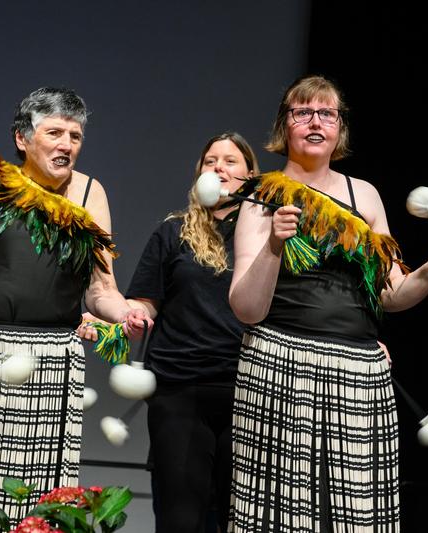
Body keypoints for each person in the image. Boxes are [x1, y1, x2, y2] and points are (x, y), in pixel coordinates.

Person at [227, 75, 428, 531]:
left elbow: (392, 294)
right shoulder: (262, 194)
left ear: (340, 126)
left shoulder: (366, 195)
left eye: (326, 113)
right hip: (280, 362)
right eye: (303, 112)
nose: (315, 122)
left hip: (359, 371)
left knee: (358, 515)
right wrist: (274, 247)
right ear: (286, 125)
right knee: (278, 513)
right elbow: (246, 308)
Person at [0, 86, 148, 531]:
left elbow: (99, 289)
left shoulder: (89, 195)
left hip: (51, 361)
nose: (67, 144)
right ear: (22, 138)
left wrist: (123, 312)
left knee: (41, 498)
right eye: (55, 132)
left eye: (75, 136)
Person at [119, 132, 258, 533]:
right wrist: (132, 314)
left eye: (231, 161)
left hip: (248, 390)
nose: (219, 167)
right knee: (181, 517)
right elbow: (145, 300)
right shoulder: (172, 232)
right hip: (179, 388)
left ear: (250, 174)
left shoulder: (267, 235)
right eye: (210, 160)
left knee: (240, 518)